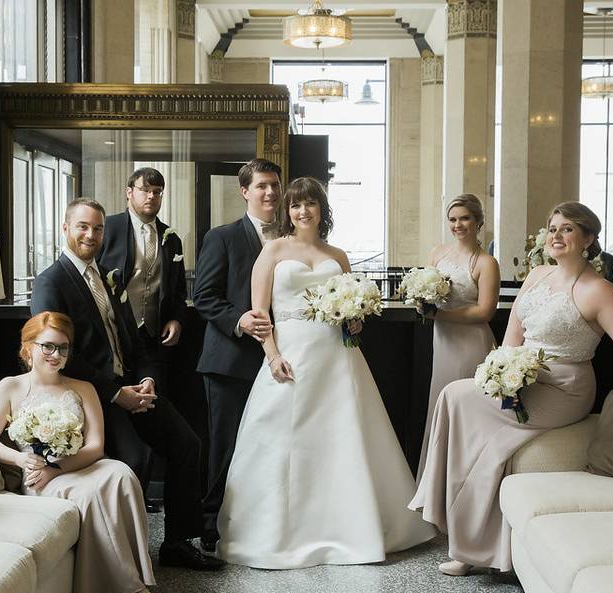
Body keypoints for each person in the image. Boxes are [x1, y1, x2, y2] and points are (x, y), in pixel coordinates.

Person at [410, 202, 613, 576]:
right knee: (458, 397)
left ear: (588, 239)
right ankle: (469, 541)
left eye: (567, 229)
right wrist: (496, 372)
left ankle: (471, 545)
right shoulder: (537, 275)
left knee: (459, 398)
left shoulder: (598, 291)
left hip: (565, 387)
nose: (556, 236)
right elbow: (512, 338)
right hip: (520, 376)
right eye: (552, 228)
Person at [217, 177, 435, 569]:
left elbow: (351, 307)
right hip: (291, 356)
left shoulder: (338, 254)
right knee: (287, 443)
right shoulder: (272, 251)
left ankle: (352, 526)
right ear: (288, 211)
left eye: (310, 204)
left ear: (322, 209)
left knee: (344, 439)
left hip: (337, 356)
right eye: (296, 205)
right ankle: (281, 532)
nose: (303, 212)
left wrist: (354, 322)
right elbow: (259, 314)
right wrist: (271, 355)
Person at [31, 198, 222, 571]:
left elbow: (132, 340)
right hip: (92, 397)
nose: (91, 234)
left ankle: (176, 543)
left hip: (131, 387)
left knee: (187, 443)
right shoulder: (51, 281)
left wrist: (147, 379)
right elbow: (56, 353)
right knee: (135, 460)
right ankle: (122, 559)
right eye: (83, 226)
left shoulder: (107, 276)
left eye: (98, 228)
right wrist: (117, 394)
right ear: (66, 229)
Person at [0, 311, 172, 593]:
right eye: (49, 347)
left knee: (121, 474)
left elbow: (95, 446)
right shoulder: (10, 387)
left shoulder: (83, 388)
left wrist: (59, 467)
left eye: (64, 348)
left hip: (81, 464)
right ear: (28, 348)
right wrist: (19, 460)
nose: (57, 355)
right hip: (39, 476)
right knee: (89, 494)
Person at [192, 158, 282, 552]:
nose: (270, 192)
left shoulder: (290, 237)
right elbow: (204, 297)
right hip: (230, 360)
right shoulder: (223, 236)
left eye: (275, 185)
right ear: (245, 191)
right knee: (225, 444)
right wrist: (239, 320)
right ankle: (212, 524)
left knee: (271, 444)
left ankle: (262, 519)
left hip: (279, 358)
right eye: (262, 185)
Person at [417, 194, 499, 478]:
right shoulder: (438, 253)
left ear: (478, 221)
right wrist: (420, 299)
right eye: (452, 219)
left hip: (471, 342)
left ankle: (467, 476)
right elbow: (424, 291)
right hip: (443, 341)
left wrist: (439, 316)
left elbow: (484, 312)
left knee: (468, 406)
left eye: (464, 218)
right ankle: (437, 479)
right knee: (440, 402)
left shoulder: (486, 262)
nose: (458, 225)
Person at [98, 167, 187, 395]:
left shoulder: (172, 238)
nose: (151, 196)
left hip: (154, 335)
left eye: (157, 192)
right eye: (145, 190)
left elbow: (178, 289)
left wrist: (176, 319)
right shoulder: (108, 228)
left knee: (154, 399)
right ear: (129, 192)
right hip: (114, 331)